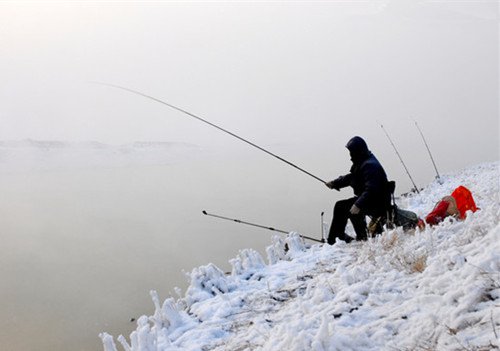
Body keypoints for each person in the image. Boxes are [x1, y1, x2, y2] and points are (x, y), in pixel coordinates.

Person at [326, 136, 390, 244]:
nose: (350, 154)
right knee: (347, 205)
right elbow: (352, 178)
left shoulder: (370, 166)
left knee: (342, 206)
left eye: (352, 151)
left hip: (376, 203)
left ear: (357, 151)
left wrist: (358, 204)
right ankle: (360, 236)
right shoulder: (363, 161)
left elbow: (371, 190)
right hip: (370, 200)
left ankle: (335, 239)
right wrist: (335, 183)